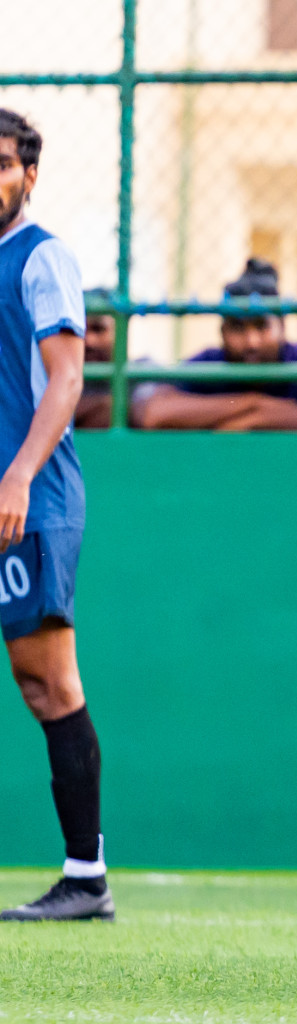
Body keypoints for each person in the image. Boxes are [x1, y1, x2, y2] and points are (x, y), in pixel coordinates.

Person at [0, 110, 112, 923]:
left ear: (28, 176)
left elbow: (67, 379)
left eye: (1, 163)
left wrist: (18, 474)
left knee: (47, 679)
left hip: (29, 500)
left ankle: (85, 877)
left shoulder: (42, 257)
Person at [134, 258, 297, 431]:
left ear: (282, 327)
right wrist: (252, 402)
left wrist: (256, 420)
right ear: (222, 332)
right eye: (237, 328)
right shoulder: (209, 363)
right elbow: (154, 413)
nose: (251, 342)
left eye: (262, 326)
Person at [73, 290, 115, 430]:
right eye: (78, 330)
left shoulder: (139, 372)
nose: (88, 341)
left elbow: (153, 414)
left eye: (98, 329)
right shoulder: (48, 377)